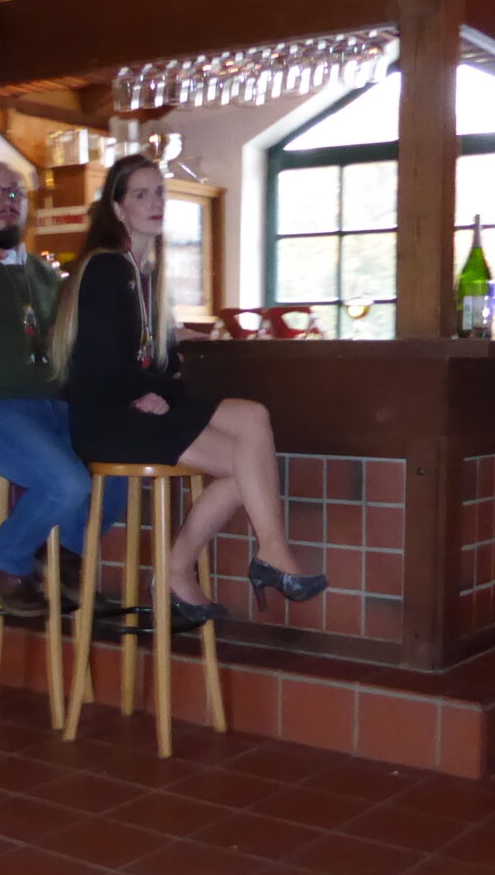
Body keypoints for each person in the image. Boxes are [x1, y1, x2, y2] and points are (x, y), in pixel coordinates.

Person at [48, 154, 325, 621]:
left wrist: (170, 364)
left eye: (159, 192)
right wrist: (159, 390)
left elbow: (153, 359)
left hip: (135, 407)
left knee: (250, 439)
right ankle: (257, 557)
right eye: (141, 194)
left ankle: (205, 565)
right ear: (117, 208)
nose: (155, 202)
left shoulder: (145, 273)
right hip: (110, 420)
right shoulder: (107, 269)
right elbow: (101, 366)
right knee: (248, 442)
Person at [0, 161, 124, 615]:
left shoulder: (44, 276)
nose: (6, 201)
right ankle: (6, 560)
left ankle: (66, 551)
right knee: (66, 482)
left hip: (50, 410)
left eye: (15, 192)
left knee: (122, 460)